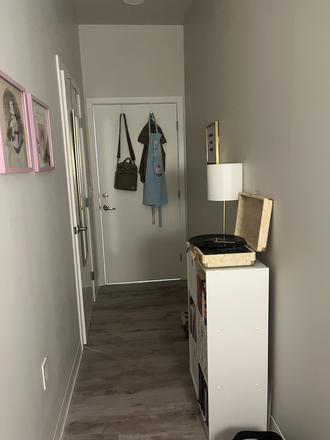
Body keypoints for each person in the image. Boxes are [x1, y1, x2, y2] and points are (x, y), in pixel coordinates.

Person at [3, 88, 27, 168]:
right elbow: (16, 146)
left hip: (20, 158)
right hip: (15, 159)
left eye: (12, 105)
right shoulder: (12, 124)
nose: (12, 109)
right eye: (9, 107)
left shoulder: (18, 122)